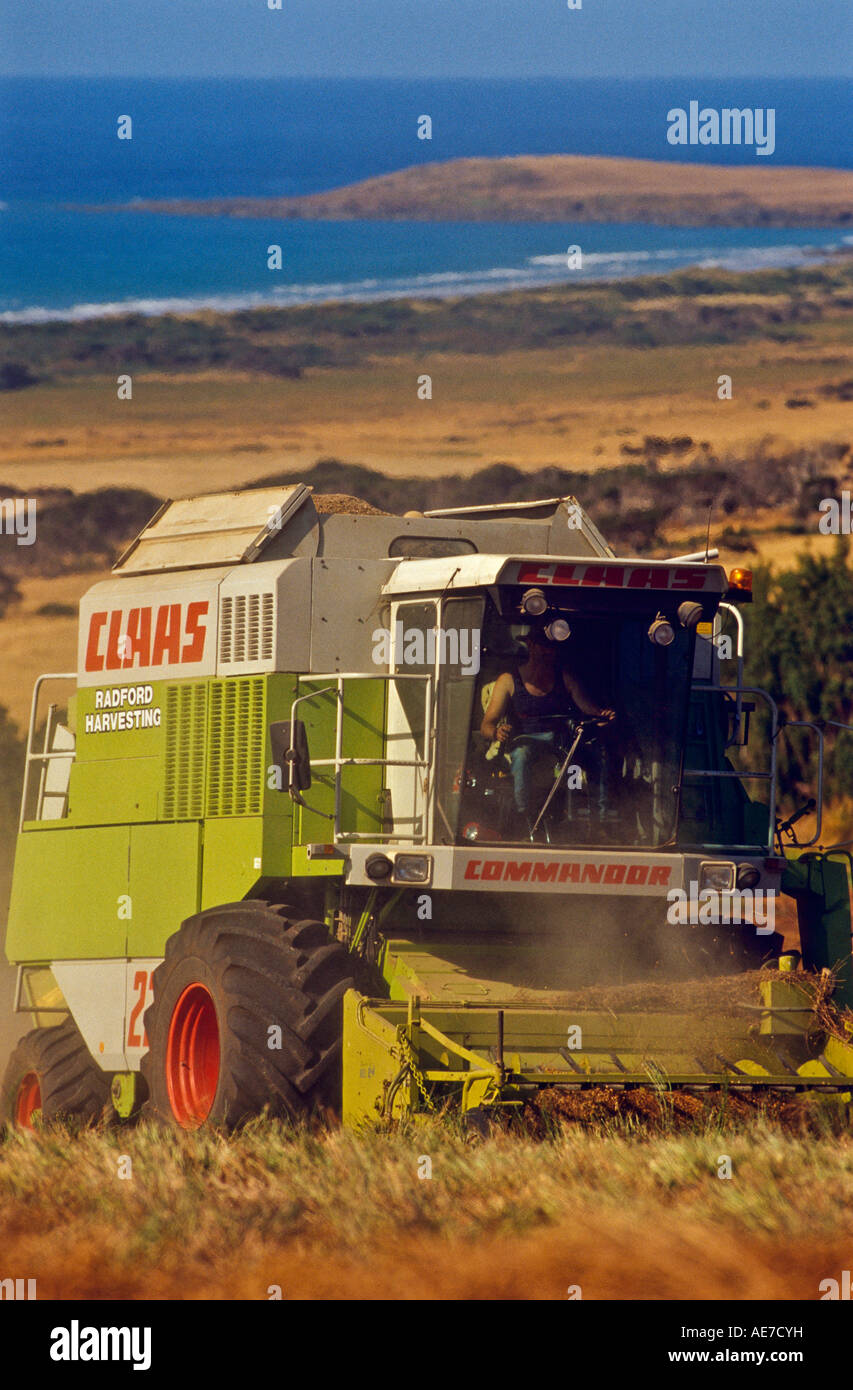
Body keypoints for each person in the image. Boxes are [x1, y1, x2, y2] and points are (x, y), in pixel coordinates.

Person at [480, 629, 614, 832]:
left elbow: (588, 708)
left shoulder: (565, 678)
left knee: (589, 756)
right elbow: (486, 724)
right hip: (525, 739)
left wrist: (601, 716)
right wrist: (496, 732)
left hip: (560, 741)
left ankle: (596, 820)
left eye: (551, 647)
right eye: (543, 645)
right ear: (531, 646)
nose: (548, 651)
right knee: (522, 754)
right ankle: (523, 816)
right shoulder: (508, 680)